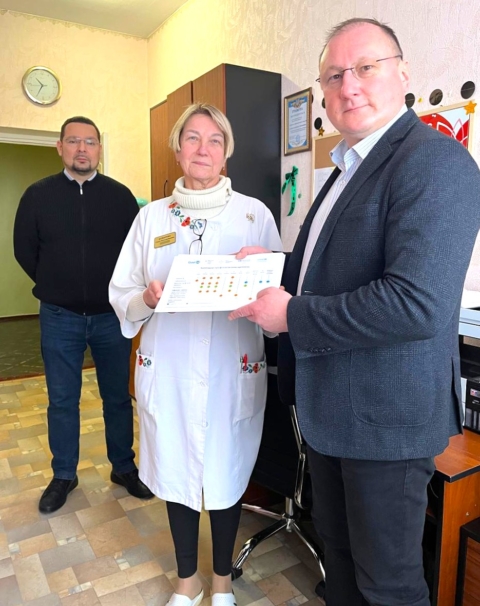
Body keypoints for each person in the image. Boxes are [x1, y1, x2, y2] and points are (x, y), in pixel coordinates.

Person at [229, 18, 480, 606]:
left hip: (385, 423)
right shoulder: (346, 165)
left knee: (387, 586)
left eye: (366, 67)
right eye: (334, 75)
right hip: (331, 413)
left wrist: (292, 316)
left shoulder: (435, 160)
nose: (349, 85)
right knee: (339, 568)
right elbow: (335, 267)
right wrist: (279, 263)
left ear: (403, 72)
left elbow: (415, 303)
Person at [109, 103, 282, 606]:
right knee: (177, 471)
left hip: (233, 366)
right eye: (192, 138)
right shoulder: (151, 218)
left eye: (214, 140)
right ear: (177, 149)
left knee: (227, 473)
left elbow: (276, 288)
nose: (203, 149)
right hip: (170, 368)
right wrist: (147, 299)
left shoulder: (254, 214)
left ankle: (222, 582)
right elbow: (121, 291)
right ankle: (188, 582)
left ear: (226, 152)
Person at [13, 116, 154, 514]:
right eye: (73, 141)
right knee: (62, 400)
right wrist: (56, 283)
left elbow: (135, 255)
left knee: (117, 397)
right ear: (60, 147)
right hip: (60, 316)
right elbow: (24, 250)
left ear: (99, 149)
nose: (82, 149)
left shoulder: (120, 197)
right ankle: (64, 475)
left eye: (90, 142)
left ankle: (123, 467)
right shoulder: (37, 196)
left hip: (111, 317)